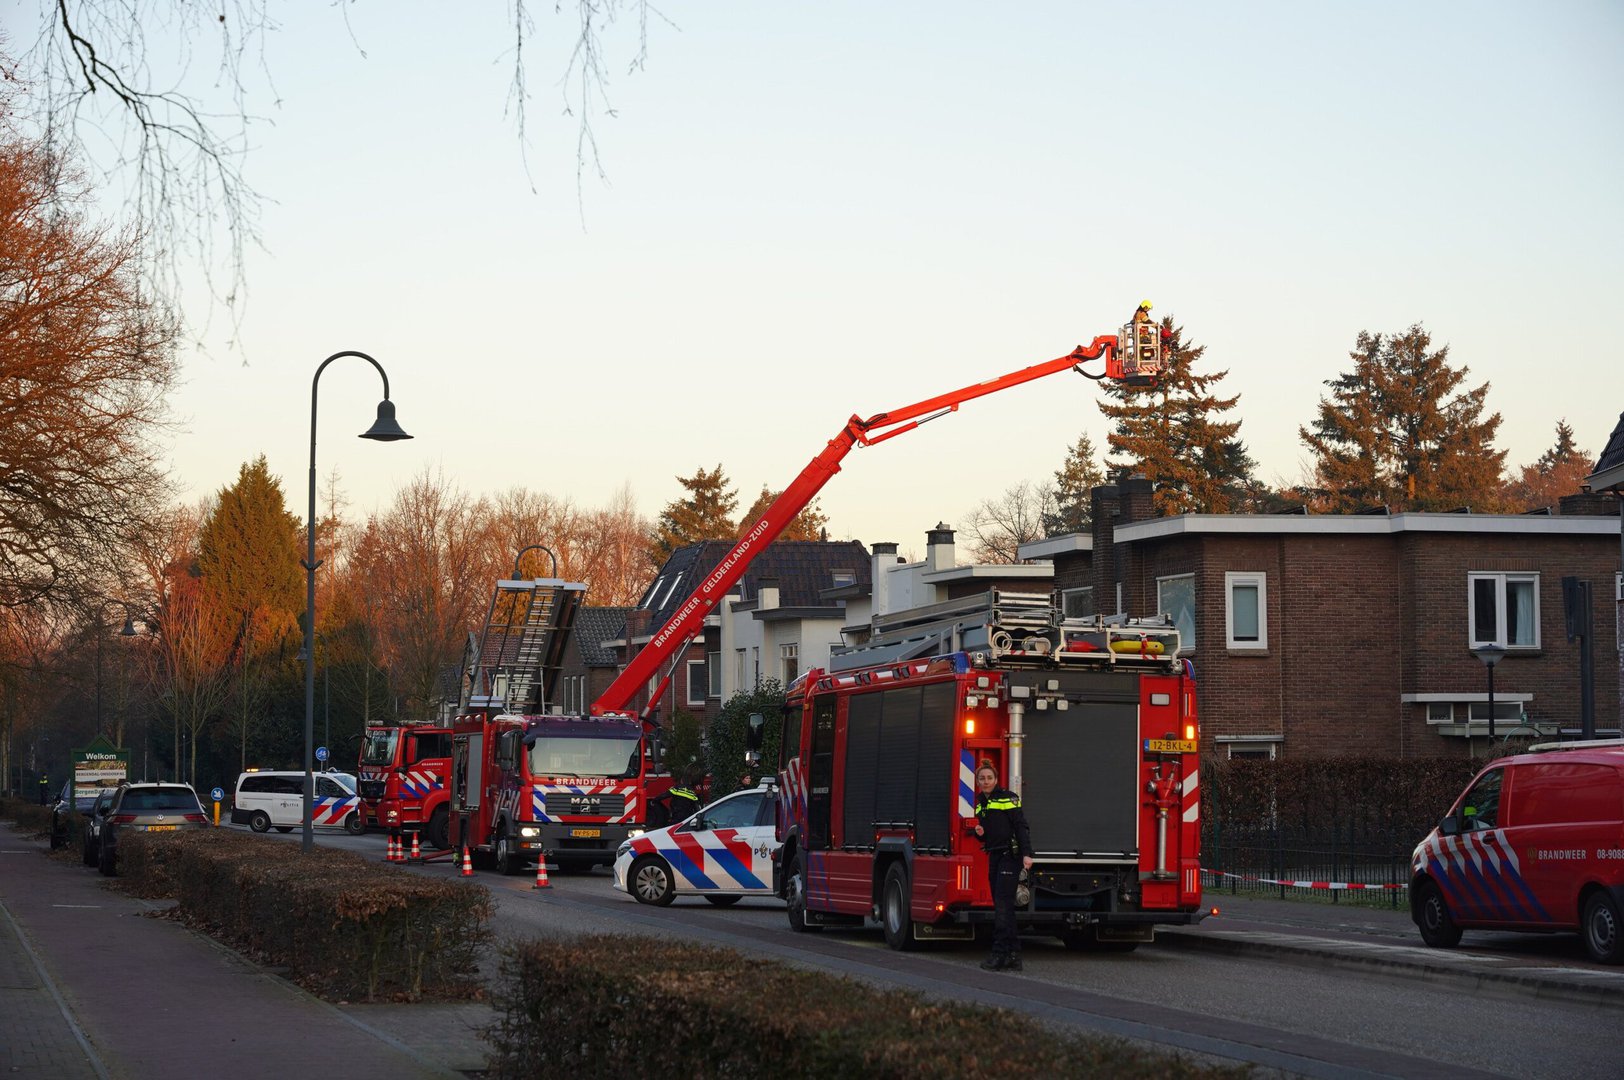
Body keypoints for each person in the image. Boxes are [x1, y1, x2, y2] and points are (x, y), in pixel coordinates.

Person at [972, 760, 1032, 972]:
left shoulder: (1008, 798)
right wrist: (981, 834)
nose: (986, 781)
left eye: (989, 778)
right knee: (1003, 906)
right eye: (982, 778)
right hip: (994, 855)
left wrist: (1027, 853)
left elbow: (1020, 825)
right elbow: (989, 835)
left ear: (996, 779)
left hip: (1010, 855)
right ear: (977, 781)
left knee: (1003, 904)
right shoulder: (980, 803)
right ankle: (1013, 955)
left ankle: (999, 955)